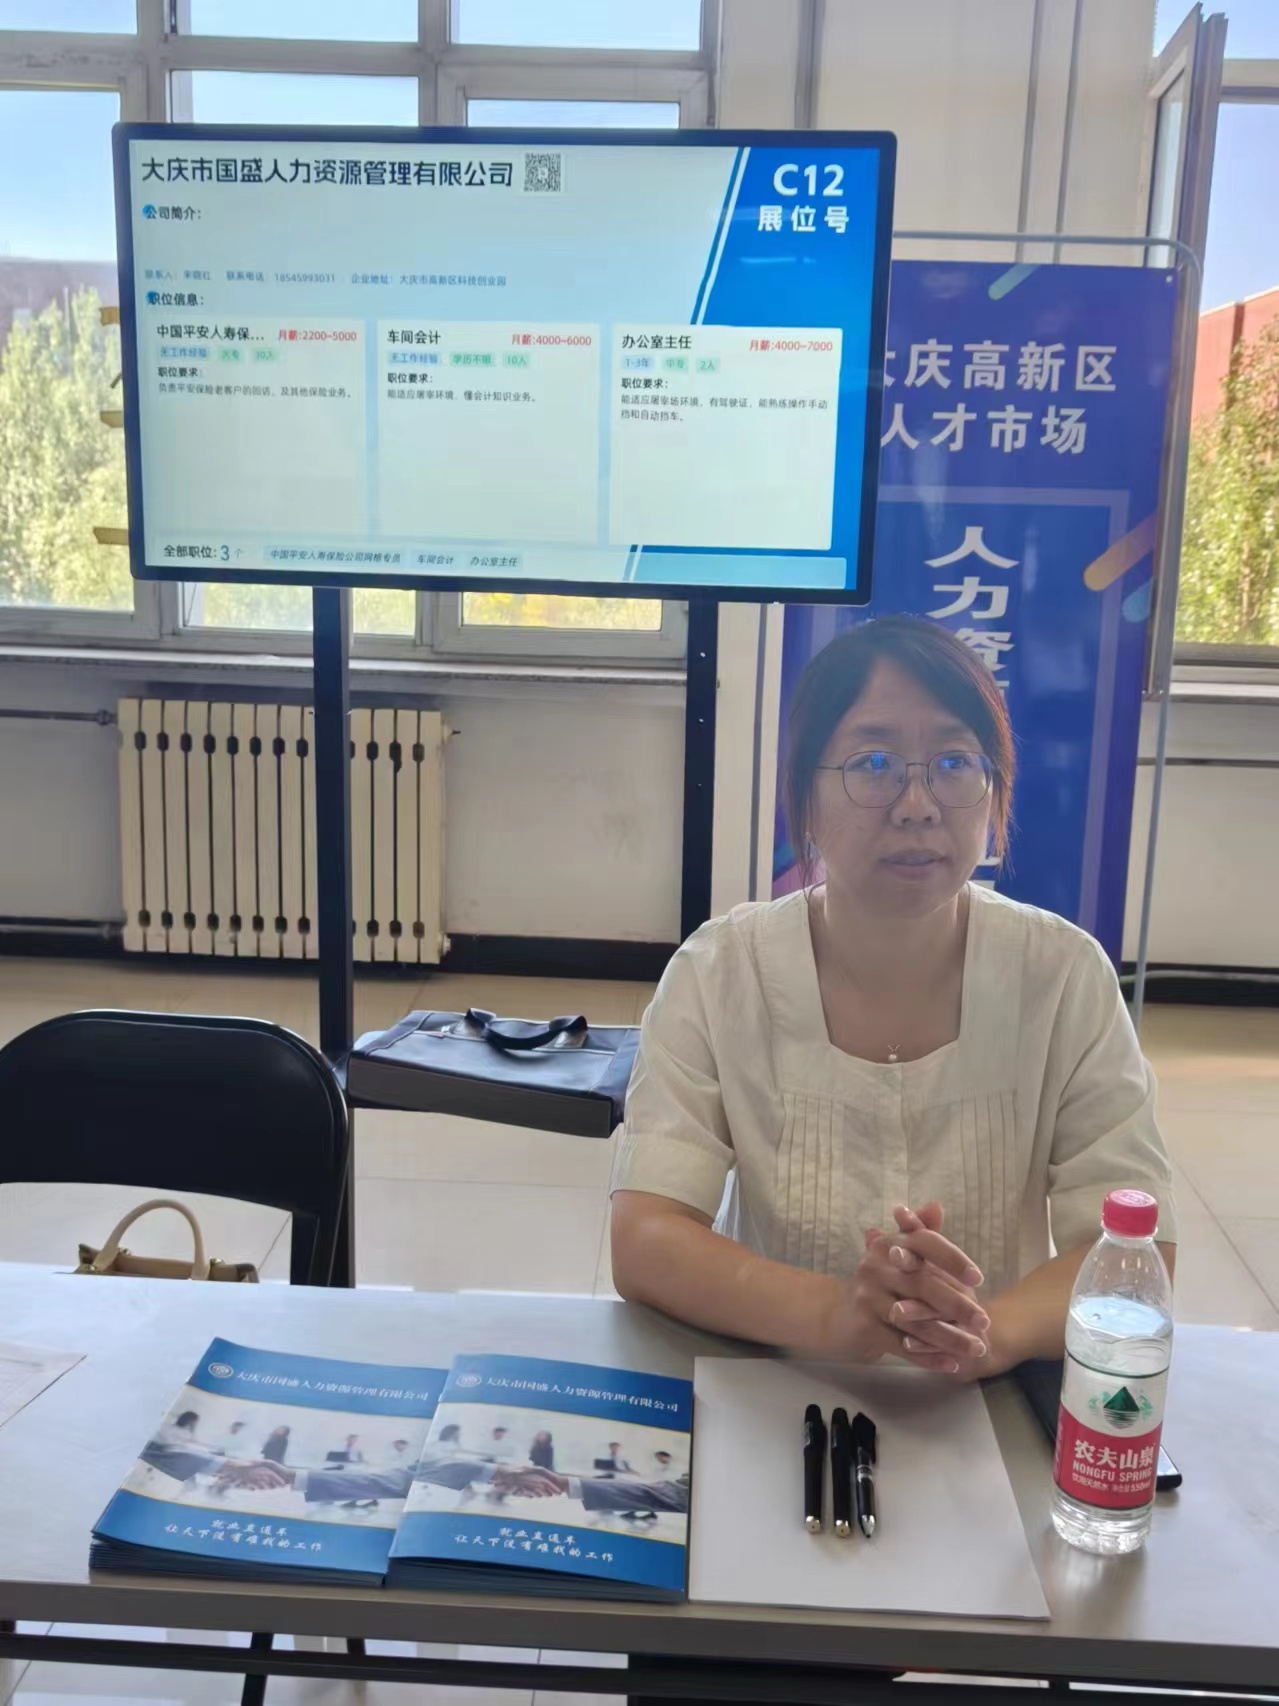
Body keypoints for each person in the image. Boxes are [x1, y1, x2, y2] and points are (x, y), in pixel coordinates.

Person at [610, 616, 1177, 1380]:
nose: (917, 804)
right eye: (873, 764)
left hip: (984, 1401)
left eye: (953, 763)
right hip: (776, 1389)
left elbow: (1138, 1251)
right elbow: (645, 1236)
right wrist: (835, 1314)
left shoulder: (1062, 975)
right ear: (805, 799)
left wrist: (986, 1334)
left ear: (993, 791)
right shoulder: (719, 973)